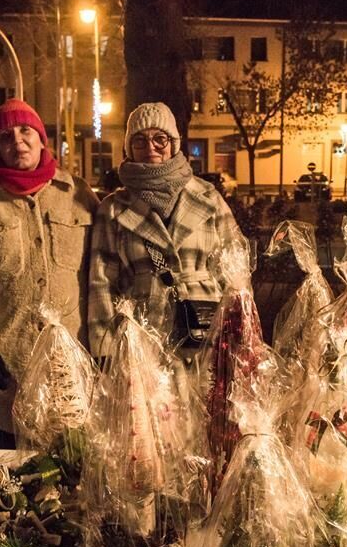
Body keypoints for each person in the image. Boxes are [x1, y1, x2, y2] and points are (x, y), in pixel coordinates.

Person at [0, 99, 98, 446]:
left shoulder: (78, 196)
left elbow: (101, 271)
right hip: (10, 375)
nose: (18, 142)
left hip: (73, 373)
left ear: (43, 139)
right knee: (17, 481)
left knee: (77, 479)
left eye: (26, 131)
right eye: (6, 136)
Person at [88, 101, 242, 361]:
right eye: (139, 140)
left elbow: (235, 268)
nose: (150, 148)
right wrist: (105, 352)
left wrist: (239, 333)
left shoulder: (208, 197)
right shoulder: (113, 208)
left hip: (206, 333)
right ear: (129, 148)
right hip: (142, 341)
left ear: (173, 143)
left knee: (205, 399)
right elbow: (101, 283)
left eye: (160, 139)